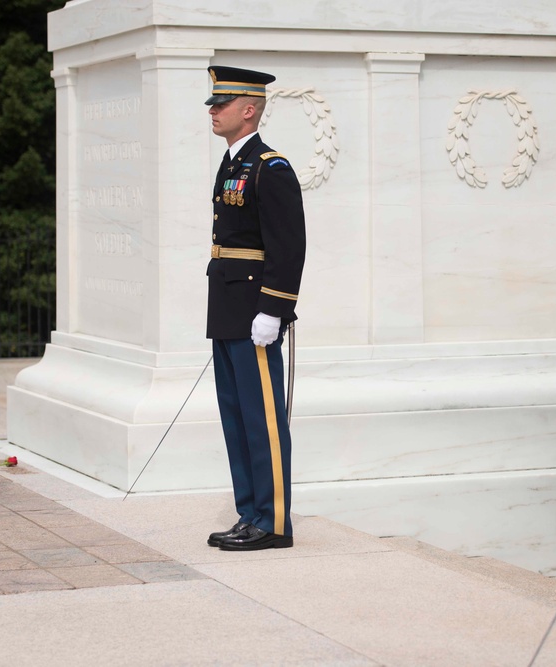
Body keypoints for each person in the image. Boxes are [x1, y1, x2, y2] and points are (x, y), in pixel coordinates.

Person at [202, 66, 307, 551]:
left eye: (220, 104)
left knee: (263, 418)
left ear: (248, 109)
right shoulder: (231, 163)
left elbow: (288, 247)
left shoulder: (271, 166)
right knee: (237, 415)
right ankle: (250, 512)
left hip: (254, 313)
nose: (212, 110)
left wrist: (274, 310)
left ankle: (273, 521)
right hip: (227, 305)